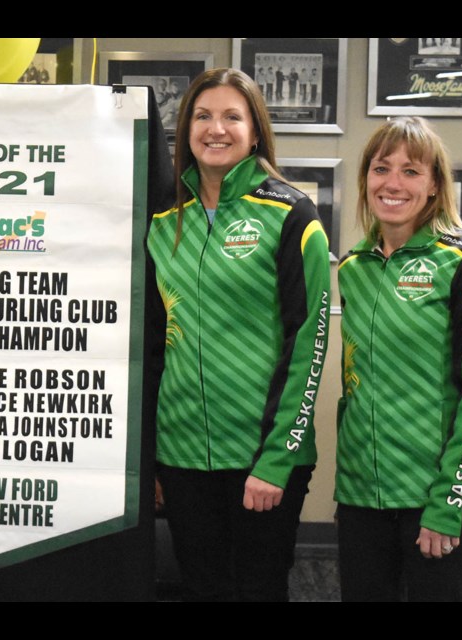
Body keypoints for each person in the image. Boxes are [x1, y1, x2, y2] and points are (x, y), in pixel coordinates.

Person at [147, 68, 331, 601]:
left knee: (257, 590)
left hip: (263, 454)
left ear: (255, 130)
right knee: (202, 588)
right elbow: (156, 346)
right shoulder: (163, 220)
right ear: (184, 130)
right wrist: (155, 456)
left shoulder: (291, 214)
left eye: (232, 116)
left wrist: (276, 459)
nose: (215, 128)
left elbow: (309, 344)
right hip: (182, 457)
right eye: (202, 116)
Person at [335, 116, 462, 601]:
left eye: (411, 171)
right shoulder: (353, 268)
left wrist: (447, 501)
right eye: (380, 168)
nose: (392, 183)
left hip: (438, 500)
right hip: (360, 500)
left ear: (435, 185)